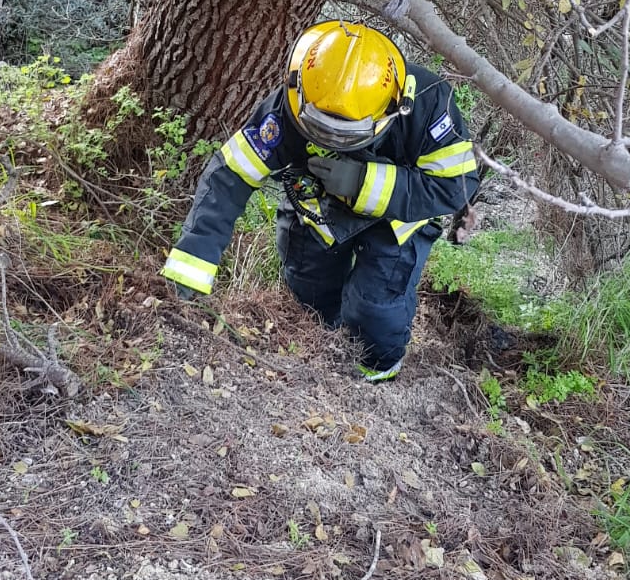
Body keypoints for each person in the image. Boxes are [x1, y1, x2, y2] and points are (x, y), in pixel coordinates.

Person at [162, 20, 480, 382]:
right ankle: (325, 361)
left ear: (392, 109)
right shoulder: (299, 96)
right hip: (317, 210)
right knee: (308, 298)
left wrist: (362, 181)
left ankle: (373, 380)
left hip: (395, 219)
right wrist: (192, 264)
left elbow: (455, 188)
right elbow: (231, 174)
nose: (330, 140)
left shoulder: (428, 104)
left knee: (375, 313)